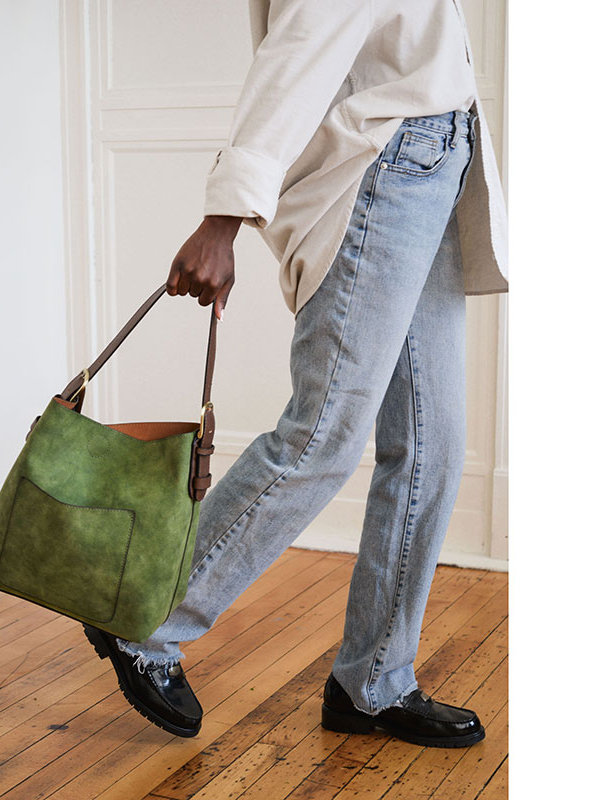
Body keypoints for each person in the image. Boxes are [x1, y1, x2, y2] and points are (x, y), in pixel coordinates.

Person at [82, 0, 507, 748]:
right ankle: (145, 621)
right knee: (323, 435)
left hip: (442, 156)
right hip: (389, 165)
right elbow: (301, 43)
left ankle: (374, 682)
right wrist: (225, 217)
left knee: (431, 445)